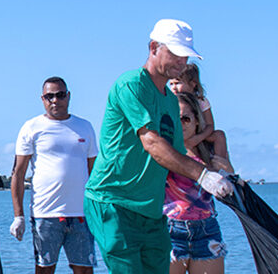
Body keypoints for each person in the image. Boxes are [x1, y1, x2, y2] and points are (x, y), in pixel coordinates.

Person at [84, 19, 235, 273]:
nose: (182, 62)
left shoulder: (170, 102)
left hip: (152, 211)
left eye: (185, 56)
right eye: (175, 54)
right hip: (114, 202)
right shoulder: (131, 84)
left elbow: (178, 154)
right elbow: (152, 142)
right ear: (154, 47)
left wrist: (218, 173)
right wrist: (202, 175)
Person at [9, 77, 99, 274]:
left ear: (68, 96)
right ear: (42, 99)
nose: (55, 100)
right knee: (44, 269)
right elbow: (18, 173)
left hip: (81, 215)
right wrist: (18, 216)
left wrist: (98, 211)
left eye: (60, 95)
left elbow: (94, 172)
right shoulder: (31, 127)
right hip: (45, 213)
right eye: (49, 96)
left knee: (84, 269)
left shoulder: (85, 127)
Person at [168, 92, 233, 274]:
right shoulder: (165, 151)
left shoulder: (208, 150)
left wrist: (227, 168)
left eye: (186, 119)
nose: (180, 123)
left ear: (197, 120)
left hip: (207, 229)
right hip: (170, 228)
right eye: (175, 118)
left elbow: (230, 187)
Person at [168, 64, 230, 159]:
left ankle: (219, 161)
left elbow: (210, 125)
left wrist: (198, 138)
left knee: (219, 135)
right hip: (182, 131)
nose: (173, 88)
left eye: (177, 83)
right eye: (171, 84)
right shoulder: (171, 101)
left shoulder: (201, 101)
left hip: (201, 133)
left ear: (193, 84)